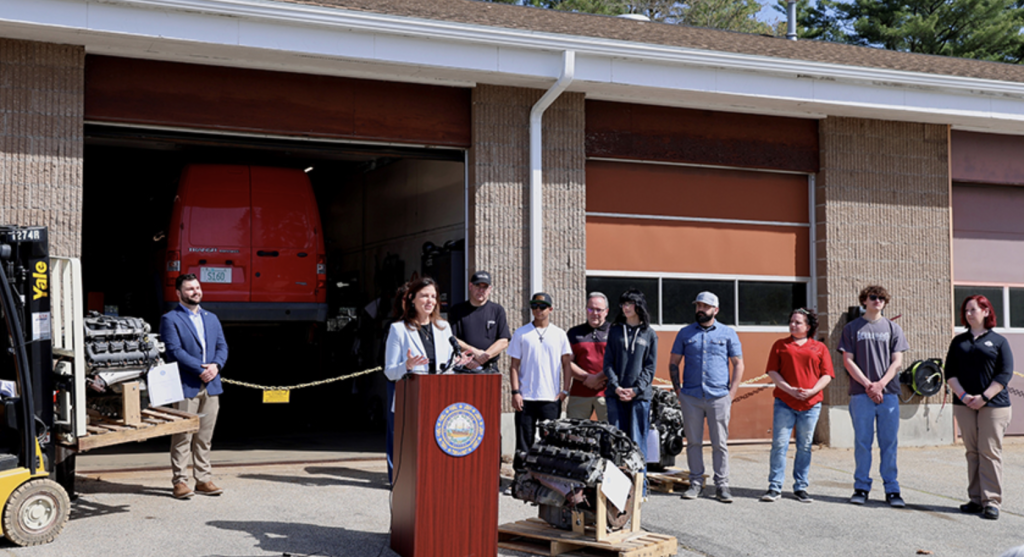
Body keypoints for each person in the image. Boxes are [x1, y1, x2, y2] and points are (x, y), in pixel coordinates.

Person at [669, 291, 744, 503]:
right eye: (698, 306)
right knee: (693, 442)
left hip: (718, 396)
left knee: (719, 443)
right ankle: (695, 483)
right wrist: (678, 392)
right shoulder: (685, 333)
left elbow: (738, 363)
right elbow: (673, 362)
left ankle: (722, 485)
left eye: (705, 306)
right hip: (691, 396)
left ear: (715, 310)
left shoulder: (728, 333)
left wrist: (731, 394)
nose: (700, 310)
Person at [838, 285, 909, 507]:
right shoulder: (852, 328)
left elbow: (897, 361)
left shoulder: (893, 328)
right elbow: (848, 361)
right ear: (864, 301)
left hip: (888, 395)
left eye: (881, 298)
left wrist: (880, 384)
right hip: (861, 394)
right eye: (873, 297)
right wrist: (869, 385)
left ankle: (892, 489)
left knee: (889, 443)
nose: (877, 301)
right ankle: (861, 487)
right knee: (862, 442)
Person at [945, 295, 1014, 520]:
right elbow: (950, 373)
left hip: (993, 406)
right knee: (972, 452)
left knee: (989, 452)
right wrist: (963, 396)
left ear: (986, 311)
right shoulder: (959, 341)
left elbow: (1004, 374)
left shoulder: (999, 341)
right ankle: (975, 499)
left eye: (973, 310)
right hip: (964, 404)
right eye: (966, 310)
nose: (968, 314)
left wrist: (984, 397)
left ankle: (992, 501)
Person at [161, 273, 229, 500]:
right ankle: (180, 481)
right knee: (182, 437)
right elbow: (174, 350)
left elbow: (222, 346)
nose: (195, 292)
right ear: (179, 293)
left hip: (211, 385)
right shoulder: (170, 319)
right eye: (190, 289)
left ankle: (203, 479)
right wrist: (201, 369)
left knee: (204, 436)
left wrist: (216, 366)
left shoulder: (212, 318)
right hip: (186, 385)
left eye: (197, 287)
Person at [760, 308, 834, 504]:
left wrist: (812, 391)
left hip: (811, 404)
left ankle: (800, 487)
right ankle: (774, 487)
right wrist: (788, 389)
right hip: (784, 402)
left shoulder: (819, 348)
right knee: (779, 445)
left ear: (808, 327)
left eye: (798, 322)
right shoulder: (780, 345)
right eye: (791, 321)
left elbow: (827, 375)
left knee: (805, 446)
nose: (793, 325)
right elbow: (773, 371)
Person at [508, 292, 573, 471]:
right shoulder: (521, 333)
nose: (538, 310)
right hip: (526, 397)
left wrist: (565, 391)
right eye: (534, 306)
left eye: (542, 306)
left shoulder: (559, 334)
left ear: (550, 309)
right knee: (523, 441)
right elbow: (514, 365)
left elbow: (567, 364)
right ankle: (521, 477)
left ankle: (545, 478)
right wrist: (515, 392)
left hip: (550, 398)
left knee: (550, 442)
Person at [603, 289, 658, 492]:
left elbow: (650, 367)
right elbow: (608, 362)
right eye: (623, 304)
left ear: (638, 306)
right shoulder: (615, 330)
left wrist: (636, 389)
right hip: (615, 396)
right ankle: (617, 491)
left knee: (637, 442)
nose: (625, 308)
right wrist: (617, 386)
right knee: (617, 444)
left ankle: (639, 489)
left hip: (639, 398)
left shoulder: (649, 334)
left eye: (630, 304)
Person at [384, 277, 470, 383]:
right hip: (413, 395)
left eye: (433, 296)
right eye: (424, 296)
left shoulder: (444, 327)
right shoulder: (399, 329)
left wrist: (457, 363)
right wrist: (407, 365)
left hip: (441, 393)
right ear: (412, 298)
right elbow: (390, 373)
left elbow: (447, 367)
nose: (430, 301)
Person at [449, 270, 511, 372]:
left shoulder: (497, 310)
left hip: (489, 369)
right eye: (477, 286)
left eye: (485, 287)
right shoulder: (457, 310)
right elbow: (452, 339)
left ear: (490, 289)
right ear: (470, 286)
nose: (481, 290)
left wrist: (482, 358)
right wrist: (473, 352)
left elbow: (503, 341)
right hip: (464, 367)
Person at [566, 292, 611, 422]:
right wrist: (587, 378)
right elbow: (567, 363)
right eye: (590, 309)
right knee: (575, 435)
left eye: (599, 310)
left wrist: (597, 378)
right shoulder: (574, 333)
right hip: (579, 394)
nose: (594, 313)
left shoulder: (615, 332)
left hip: (608, 394)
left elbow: (618, 362)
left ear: (606, 311)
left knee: (611, 435)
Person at [384, 282, 409, 485]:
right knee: (395, 429)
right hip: (396, 381)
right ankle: (395, 476)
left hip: (418, 383)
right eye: (406, 298)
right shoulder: (393, 327)